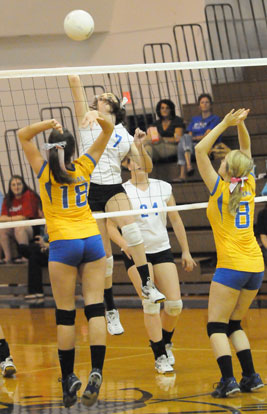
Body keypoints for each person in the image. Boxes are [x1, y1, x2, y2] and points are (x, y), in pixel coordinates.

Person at [18, 112, 114, 408]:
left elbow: (22, 135)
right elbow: (108, 130)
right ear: (72, 150)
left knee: (65, 314)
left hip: (63, 244)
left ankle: (69, 377)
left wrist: (48, 125)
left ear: (50, 150)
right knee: (96, 308)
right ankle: (96, 370)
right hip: (92, 241)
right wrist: (97, 116)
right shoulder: (84, 165)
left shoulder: (45, 171)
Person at [68, 76, 165, 331]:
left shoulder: (122, 132)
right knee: (105, 256)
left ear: (116, 106)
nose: (106, 95)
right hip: (89, 189)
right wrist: (75, 75)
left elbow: (145, 167)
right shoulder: (86, 119)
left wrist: (139, 146)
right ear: (96, 103)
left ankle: (147, 284)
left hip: (112, 185)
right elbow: (74, 85)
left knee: (131, 228)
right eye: (102, 95)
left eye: (110, 95)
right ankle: (111, 308)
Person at [195, 108, 265, 398]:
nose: (220, 161)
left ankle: (228, 380)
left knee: (216, 325)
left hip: (232, 268)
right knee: (234, 323)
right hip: (256, 267)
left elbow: (200, 149)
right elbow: (246, 149)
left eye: (223, 161)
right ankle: (250, 376)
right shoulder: (248, 185)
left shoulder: (219, 189)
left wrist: (226, 123)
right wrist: (242, 125)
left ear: (226, 170)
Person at [107, 157, 196, 373]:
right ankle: (159, 356)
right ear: (127, 164)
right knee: (151, 304)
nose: (140, 163)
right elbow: (109, 226)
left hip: (162, 249)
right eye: (134, 160)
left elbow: (175, 220)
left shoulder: (162, 187)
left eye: (144, 159)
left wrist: (185, 250)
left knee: (174, 305)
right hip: (137, 254)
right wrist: (123, 244)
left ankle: (165, 342)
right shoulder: (121, 191)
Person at [174, 93, 221, 182]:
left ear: (210, 105)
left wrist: (192, 138)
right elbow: (190, 133)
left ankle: (183, 174)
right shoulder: (195, 119)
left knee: (183, 140)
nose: (204, 104)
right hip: (193, 146)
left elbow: (207, 136)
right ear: (199, 106)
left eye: (207, 102)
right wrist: (190, 138)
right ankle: (188, 166)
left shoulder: (215, 118)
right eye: (202, 102)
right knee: (184, 140)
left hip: (207, 145)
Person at [0, 175, 40, 264]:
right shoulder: (8, 198)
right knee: (2, 230)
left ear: (23, 185)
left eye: (19, 184)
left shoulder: (29, 195)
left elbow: (24, 217)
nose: (16, 187)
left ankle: (25, 258)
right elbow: (1, 218)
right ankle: (7, 258)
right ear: (10, 187)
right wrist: (14, 218)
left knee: (20, 228)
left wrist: (8, 218)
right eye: (13, 185)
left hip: (32, 228)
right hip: (14, 227)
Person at [19, 232, 49, 300]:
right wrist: (42, 240)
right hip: (43, 251)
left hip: (55, 253)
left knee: (33, 257)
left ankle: (35, 291)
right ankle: (37, 292)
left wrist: (45, 245)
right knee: (23, 248)